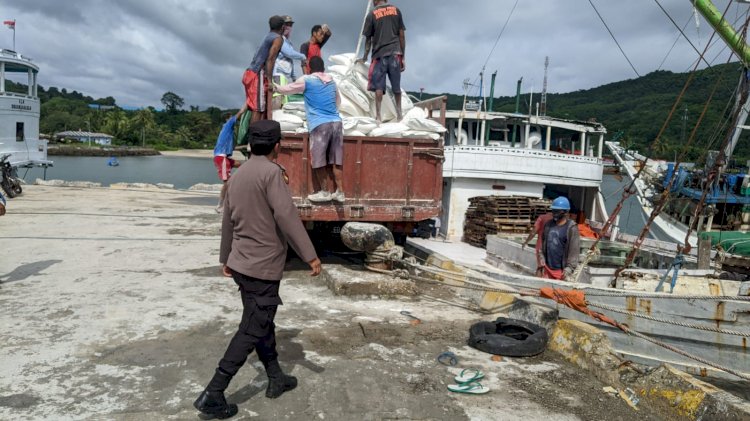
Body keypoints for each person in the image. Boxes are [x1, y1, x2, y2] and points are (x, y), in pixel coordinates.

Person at [194, 120, 322, 419]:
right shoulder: (271, 174)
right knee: (252, 327)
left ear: (250, 145)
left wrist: (225, 258)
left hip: (241, 264)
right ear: (278, 145)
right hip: (262, 267)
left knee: (261, 321)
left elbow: (227, 220)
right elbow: (287, 216)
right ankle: (214, 392)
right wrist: (310, 256)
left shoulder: (236, 176)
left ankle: (276, 377)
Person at [275, 56, 344, 204]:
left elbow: (287, 90)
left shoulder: (307, 80)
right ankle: (340, 192)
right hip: (337, 123)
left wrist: (274, 87)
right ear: (323, 68)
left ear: (309, 68)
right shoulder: (332, 81)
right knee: (336, 160)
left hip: (320, 125)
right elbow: (338, 101)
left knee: (319, 159)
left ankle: (325, 192)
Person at [358, 0, 406, 122]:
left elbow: (368, 39)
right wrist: (403, 56)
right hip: (395, 53)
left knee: (379, 87)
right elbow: (401, 35)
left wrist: (364, 56)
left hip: (379, 55)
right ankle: (400, 115)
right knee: (396, 87)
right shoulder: (396, 10)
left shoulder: (372, 14)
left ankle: (378, 116)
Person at [242, 15, 285, 123]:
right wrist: (270, 81)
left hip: (251, 72)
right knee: (258, 108)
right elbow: (270, 59)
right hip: (257, 74)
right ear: (282, 27)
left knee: (259, 108)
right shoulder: (278, 38)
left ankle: (256, 136)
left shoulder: (268, 36)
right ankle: (254, 138)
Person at [213, 104, 247, 213]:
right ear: (228, 118)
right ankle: (220, 205)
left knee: (244, 165)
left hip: (225, 158)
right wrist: (248, 101)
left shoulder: (228, 134)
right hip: (221, 157)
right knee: (227, 182)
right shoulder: (228, 125)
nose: (235, 121)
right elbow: (241, 112)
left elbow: (234, 148)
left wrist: (247, 147)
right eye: (231, 117)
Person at [539, 197, 580, 281]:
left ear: (566, 212)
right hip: (547, 268)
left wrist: (569, 268)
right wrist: (541, 257)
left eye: (558, 211)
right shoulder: (548, 225)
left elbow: (574, 250)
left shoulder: (571, 228)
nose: (554, 213)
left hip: (561, 272)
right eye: (553, 211)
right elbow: (543, 244)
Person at [272, 16, 307, 108]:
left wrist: (293, 77)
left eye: (290, 25)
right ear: (282, 26)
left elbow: (290, 61)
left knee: (284, 103)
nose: (289, 27)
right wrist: (303, 56)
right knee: (277, 101)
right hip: (278, 75)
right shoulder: (280, 39)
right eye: (286, 24)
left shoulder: (288, 42)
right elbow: (289, 53)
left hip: (285, 78)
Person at [522, 210, 554, 276]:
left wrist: (526, 242)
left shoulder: (542, 218)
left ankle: (538, 283)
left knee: (540, 267)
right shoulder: (559, 219)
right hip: (554, 248)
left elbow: (534, 232)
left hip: (541, 247)